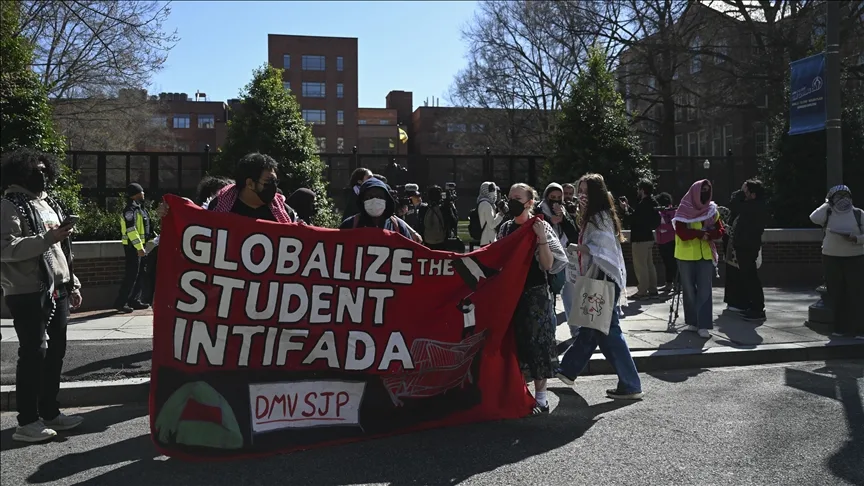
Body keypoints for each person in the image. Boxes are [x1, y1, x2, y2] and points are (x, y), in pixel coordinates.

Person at [0, 148, 84, 442]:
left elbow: (61, 250)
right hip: (27, 291)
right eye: (35, 170)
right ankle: (27, 422)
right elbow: (6, 249)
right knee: (34, 354)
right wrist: (48, 237)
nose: (42, 175)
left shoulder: (48, 205)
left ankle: (49, 412)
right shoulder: (8, 206)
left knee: (55, 354)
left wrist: (72, 283)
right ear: (19, 173)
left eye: (44, 170)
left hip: (57, 288)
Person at [556, 173, 643, 401]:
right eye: (580, 191)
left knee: (605, 330)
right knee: (593, 328)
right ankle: (568, 371)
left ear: (594, 193)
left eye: (584, 191)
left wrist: (580, 249)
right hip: (602, 278)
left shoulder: (598, 217)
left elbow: (601, 250)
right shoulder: (598, 215)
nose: (581, 196)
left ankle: (630, 383)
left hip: (602, 279)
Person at [497, 183, 567, 414]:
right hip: (511, 294)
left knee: (539, 343)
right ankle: (518, 392)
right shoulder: (505, 228)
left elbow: (549, 264)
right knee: (515, 343)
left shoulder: (540, 226)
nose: (511, 201)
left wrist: (541, 239)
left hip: (535, 294)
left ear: (529, 202)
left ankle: (541, 398)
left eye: (517, 197)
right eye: (509, 197)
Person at [810, 185, 864, 339]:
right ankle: (841, 328)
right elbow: (813, 218)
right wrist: (827, 203)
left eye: (845, 195)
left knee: (857, 294)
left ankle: (860, 329)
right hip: (831, 257)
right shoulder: (828, 212)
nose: (842, 200)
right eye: (838, 196)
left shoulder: (858, 214)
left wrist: (856, 239)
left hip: (855, 257)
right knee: (837, 294)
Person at [673, 179, 725, 339]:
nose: (706, 193)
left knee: (704, 290)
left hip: (705, 255)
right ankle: (693, 322)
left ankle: (703, 325)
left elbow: (720, 229)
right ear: (695, 191)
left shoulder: (712, 210)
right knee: (689, 290)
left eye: (708, 190)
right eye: (703, 190)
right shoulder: (683, 209)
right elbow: (681, 232)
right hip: (686, 255)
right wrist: (700, 234)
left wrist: (712, 234)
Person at [727, 179, 769, 321]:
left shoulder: (754, 206)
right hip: (746, 245)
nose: (744, 194)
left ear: (753, 194)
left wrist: (740, 193)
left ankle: (757, 308)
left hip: (747, 246)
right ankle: (754, 306)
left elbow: (735, 204)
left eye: (746, 192)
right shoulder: (754, 205)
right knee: (749, 277)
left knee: (751, 278)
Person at [115, 183, 152, 313]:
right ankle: (121, 302)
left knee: (141, 274)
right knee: (132, 275)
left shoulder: (140, 209)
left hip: (141, 246)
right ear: (135, 194)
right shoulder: (130, 210)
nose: (144, 194)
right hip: (133, 247)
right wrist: (139, 247)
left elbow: (147, 228)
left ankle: (134, 300)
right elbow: (131, 230)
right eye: (141, 192)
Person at [340, 177, 414, 238]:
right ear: (362, 200)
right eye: (369, 197)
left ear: (386, 200)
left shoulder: (399, 227)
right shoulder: (349, 225)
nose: (374, 200)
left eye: (379, 196)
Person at [627, 179, 661, 300]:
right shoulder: (652, 202)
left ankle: (642, 291)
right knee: (649, 265)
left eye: (639, 189)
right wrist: (629, 209)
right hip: (648, 237)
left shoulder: (643, 204)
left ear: (642, 190)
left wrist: (626, 210)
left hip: (640, 238)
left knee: (640, 265)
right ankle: (653, 289)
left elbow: (634, 219)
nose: (637, 191)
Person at [420, 185, 458, 250]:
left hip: (426, 243)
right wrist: (451, 207)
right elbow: (453, 223)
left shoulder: (423, 209)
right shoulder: (444, 209)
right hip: (442, 243)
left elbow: (419, 226)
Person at [655, 192, 677, 292]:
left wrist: (661, 227)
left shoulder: (672, 212)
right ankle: (668, 283)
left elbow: (673, 226)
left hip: (670, 240)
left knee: (672, 263)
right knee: (666, 263)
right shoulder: (659, 212)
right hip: (661, 240)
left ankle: (676, 283)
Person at [476, 181, 504, 246]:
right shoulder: (486, 204)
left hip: (488, 240)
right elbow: (492, 224)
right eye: (491, 190)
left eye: (494, 190)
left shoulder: (485, 203)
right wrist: (501, 214)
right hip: (488, 241)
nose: (493, 192)